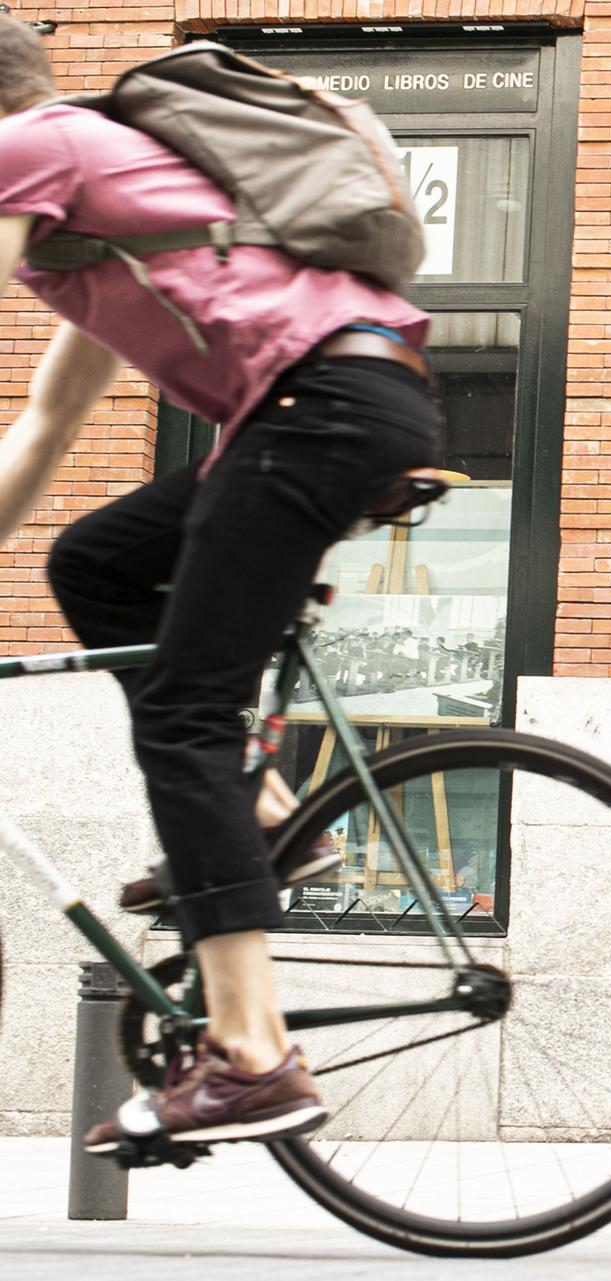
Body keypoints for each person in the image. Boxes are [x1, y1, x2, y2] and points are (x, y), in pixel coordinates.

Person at [0, 19, 443, 1151]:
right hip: (337, 404)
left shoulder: (44, 142)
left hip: (318, 409)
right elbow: (45, 430)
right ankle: (267, 813)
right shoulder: (106, 238)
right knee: (93, 560)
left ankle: (252, 1056)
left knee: (187, 720)